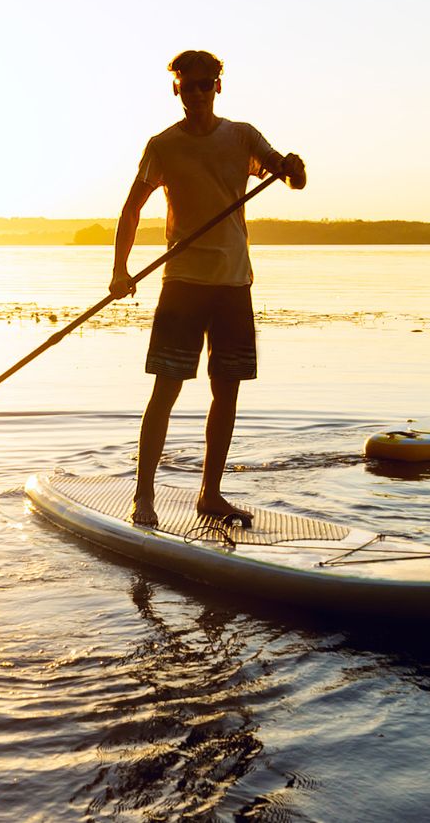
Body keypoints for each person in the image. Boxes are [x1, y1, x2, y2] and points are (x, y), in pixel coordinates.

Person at [109, 50, 305, 527]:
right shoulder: (162, 146)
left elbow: (292, 179)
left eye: (204, 84)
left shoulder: (242, 137)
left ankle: (210, 494)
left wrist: (295, 168)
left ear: (218, 86)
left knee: (227, 391)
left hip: (233, 283)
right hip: (183, 284)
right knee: (166, 390)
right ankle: (144, 497)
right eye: (187, 84)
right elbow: (132, 207)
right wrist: (120, 269)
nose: (195, 92)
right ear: (175, 88)